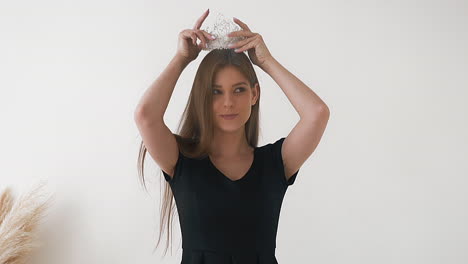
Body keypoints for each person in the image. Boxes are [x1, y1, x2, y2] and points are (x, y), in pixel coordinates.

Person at [134, 8, 330, 264]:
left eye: (238, 90)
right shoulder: (181, 160)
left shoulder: (275, 163)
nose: (228, 103)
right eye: (216, 92)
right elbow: (145, 115)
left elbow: (317, 113)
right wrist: (182, 59)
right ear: (203, 97)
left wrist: (266, 61)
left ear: (254, 94)